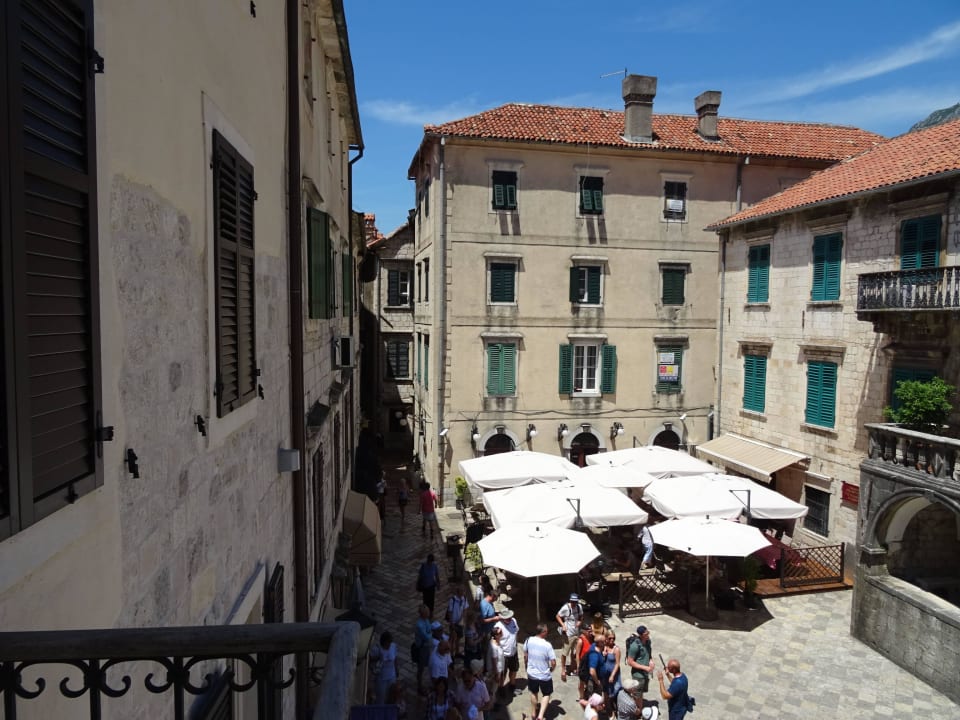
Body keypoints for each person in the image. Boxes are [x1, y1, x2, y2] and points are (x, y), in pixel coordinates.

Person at [523, 623, 557, 720]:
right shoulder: (547, 645)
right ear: (543, 632)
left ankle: (533, 713)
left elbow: (525, 656)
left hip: (532, 673)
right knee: (546, 694)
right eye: (546, 631)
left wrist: (526, 666)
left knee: (534, 693)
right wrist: (552, 669)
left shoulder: (528, 640)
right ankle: (540, 716)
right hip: (544, 675)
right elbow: (553, 662)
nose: (547, 632)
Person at [555, 592, 584, 681]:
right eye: (572, 601)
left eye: (575, 602)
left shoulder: (579, 607)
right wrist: (563, 625)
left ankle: (573, 667)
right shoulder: (566, 608)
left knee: (575, 652)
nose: (574, 603)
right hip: (568, 635)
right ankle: (563, 669)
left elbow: (581, 616)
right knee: (565, 653)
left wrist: (580, 622)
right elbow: (558, 616)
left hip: (576, 633)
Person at [625, 625, 654, 707]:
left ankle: (640, 707)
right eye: (646, 634)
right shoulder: (634, 646)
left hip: (645, 673)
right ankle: (637, 710)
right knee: (637, 694)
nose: (648, 635)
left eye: (648, 632)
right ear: (641, 635)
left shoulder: (648, 642)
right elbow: (630, 662)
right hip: (638, 675)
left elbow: (648, 653)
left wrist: (651, 660)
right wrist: (645, 667)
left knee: (641, 692)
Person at [493, 608, 520, 694]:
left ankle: (512, 686)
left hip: (513, 652)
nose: (509, 619)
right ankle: (501, 688)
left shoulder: (514, 621)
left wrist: (515, 644)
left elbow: (516, 632)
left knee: (514, 670)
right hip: (504, 654)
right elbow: (495, 640)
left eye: (510, 617)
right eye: (507, 618)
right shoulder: (498, 627)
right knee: (503, 673)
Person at [369, 630, 398, 705]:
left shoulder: (393, 646)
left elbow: (395, 658)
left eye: (390, 642)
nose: (389, 644)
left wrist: (396, 669)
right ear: (384, 641)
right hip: (381, 679)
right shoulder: (376, 649)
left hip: (392, 676)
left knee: (391, 696)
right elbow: (369, 659)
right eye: (388, 642)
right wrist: (378, 658)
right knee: (380, 698)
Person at [414, 605, 434, 694]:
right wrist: (430, 633)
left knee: (426, 665)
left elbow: (429, 629)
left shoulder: (426, 620)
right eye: (428, 612)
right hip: (421, 649)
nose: (429, 613)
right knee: (421, 667)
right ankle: (419, 686)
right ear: (423, 614)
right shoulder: (419, 625)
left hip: (426, 647)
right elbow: (427, 637)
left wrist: (429, 633)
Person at [446, 584, 470, 657]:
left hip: (460, 623)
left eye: (463, 591)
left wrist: (463, 619)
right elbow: (450, 612)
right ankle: (450, 654)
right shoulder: (452, 600)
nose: (463, 593)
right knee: (452, 638)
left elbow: (465, 608)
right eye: (461, 591)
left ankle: (457, 652)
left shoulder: (464, 599)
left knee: (459, 638)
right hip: (453, 622)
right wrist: (451, 623)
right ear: (458, 592)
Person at [600, 629, 622, 708]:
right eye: (609, 638)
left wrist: (612, 675)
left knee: (613, 692)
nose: (612, 640)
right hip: (605, 674)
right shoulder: (603, 647)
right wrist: (603, 654)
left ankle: (613, 707)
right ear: (606, 638)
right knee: (605, 691)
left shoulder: (616, 649)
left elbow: (617, 664)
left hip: (613, 674)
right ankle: (607, 707)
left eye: (613, 638)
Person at [485, 625, 506, 705]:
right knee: (493, 689)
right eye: (500, 632)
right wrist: (497, 674)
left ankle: (493, 701)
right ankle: (491, 704)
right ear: (496, 635)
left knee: (493, 688)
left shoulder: (496, 641)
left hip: (497, 670)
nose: (502, 633)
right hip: (494, 671)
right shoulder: (494, 647)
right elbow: (494, 661)